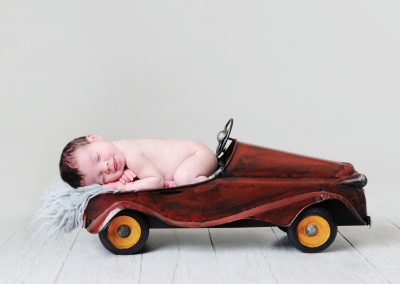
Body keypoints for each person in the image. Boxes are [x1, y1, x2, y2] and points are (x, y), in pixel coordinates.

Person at [59, 135, 218, 191]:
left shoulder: (130, 156)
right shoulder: (116, 149)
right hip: (193, 154)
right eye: (101, 177)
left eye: (97, 157)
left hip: (198, 155)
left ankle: (212, 185)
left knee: (183, 178)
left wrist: (126, 187)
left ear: (94, 138)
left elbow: (156, 180)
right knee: (181, 177)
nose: (106, 167)